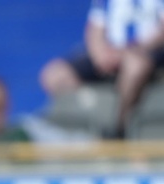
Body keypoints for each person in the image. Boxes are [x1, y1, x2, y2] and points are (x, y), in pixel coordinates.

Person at [40, 0, 164, 139]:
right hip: (110, 54)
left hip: (147, 54)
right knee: (55, 75)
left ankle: (119, 128)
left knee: (135, 66)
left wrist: (127, 52)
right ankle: (86, 125)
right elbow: (94, 30)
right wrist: (100, 55)